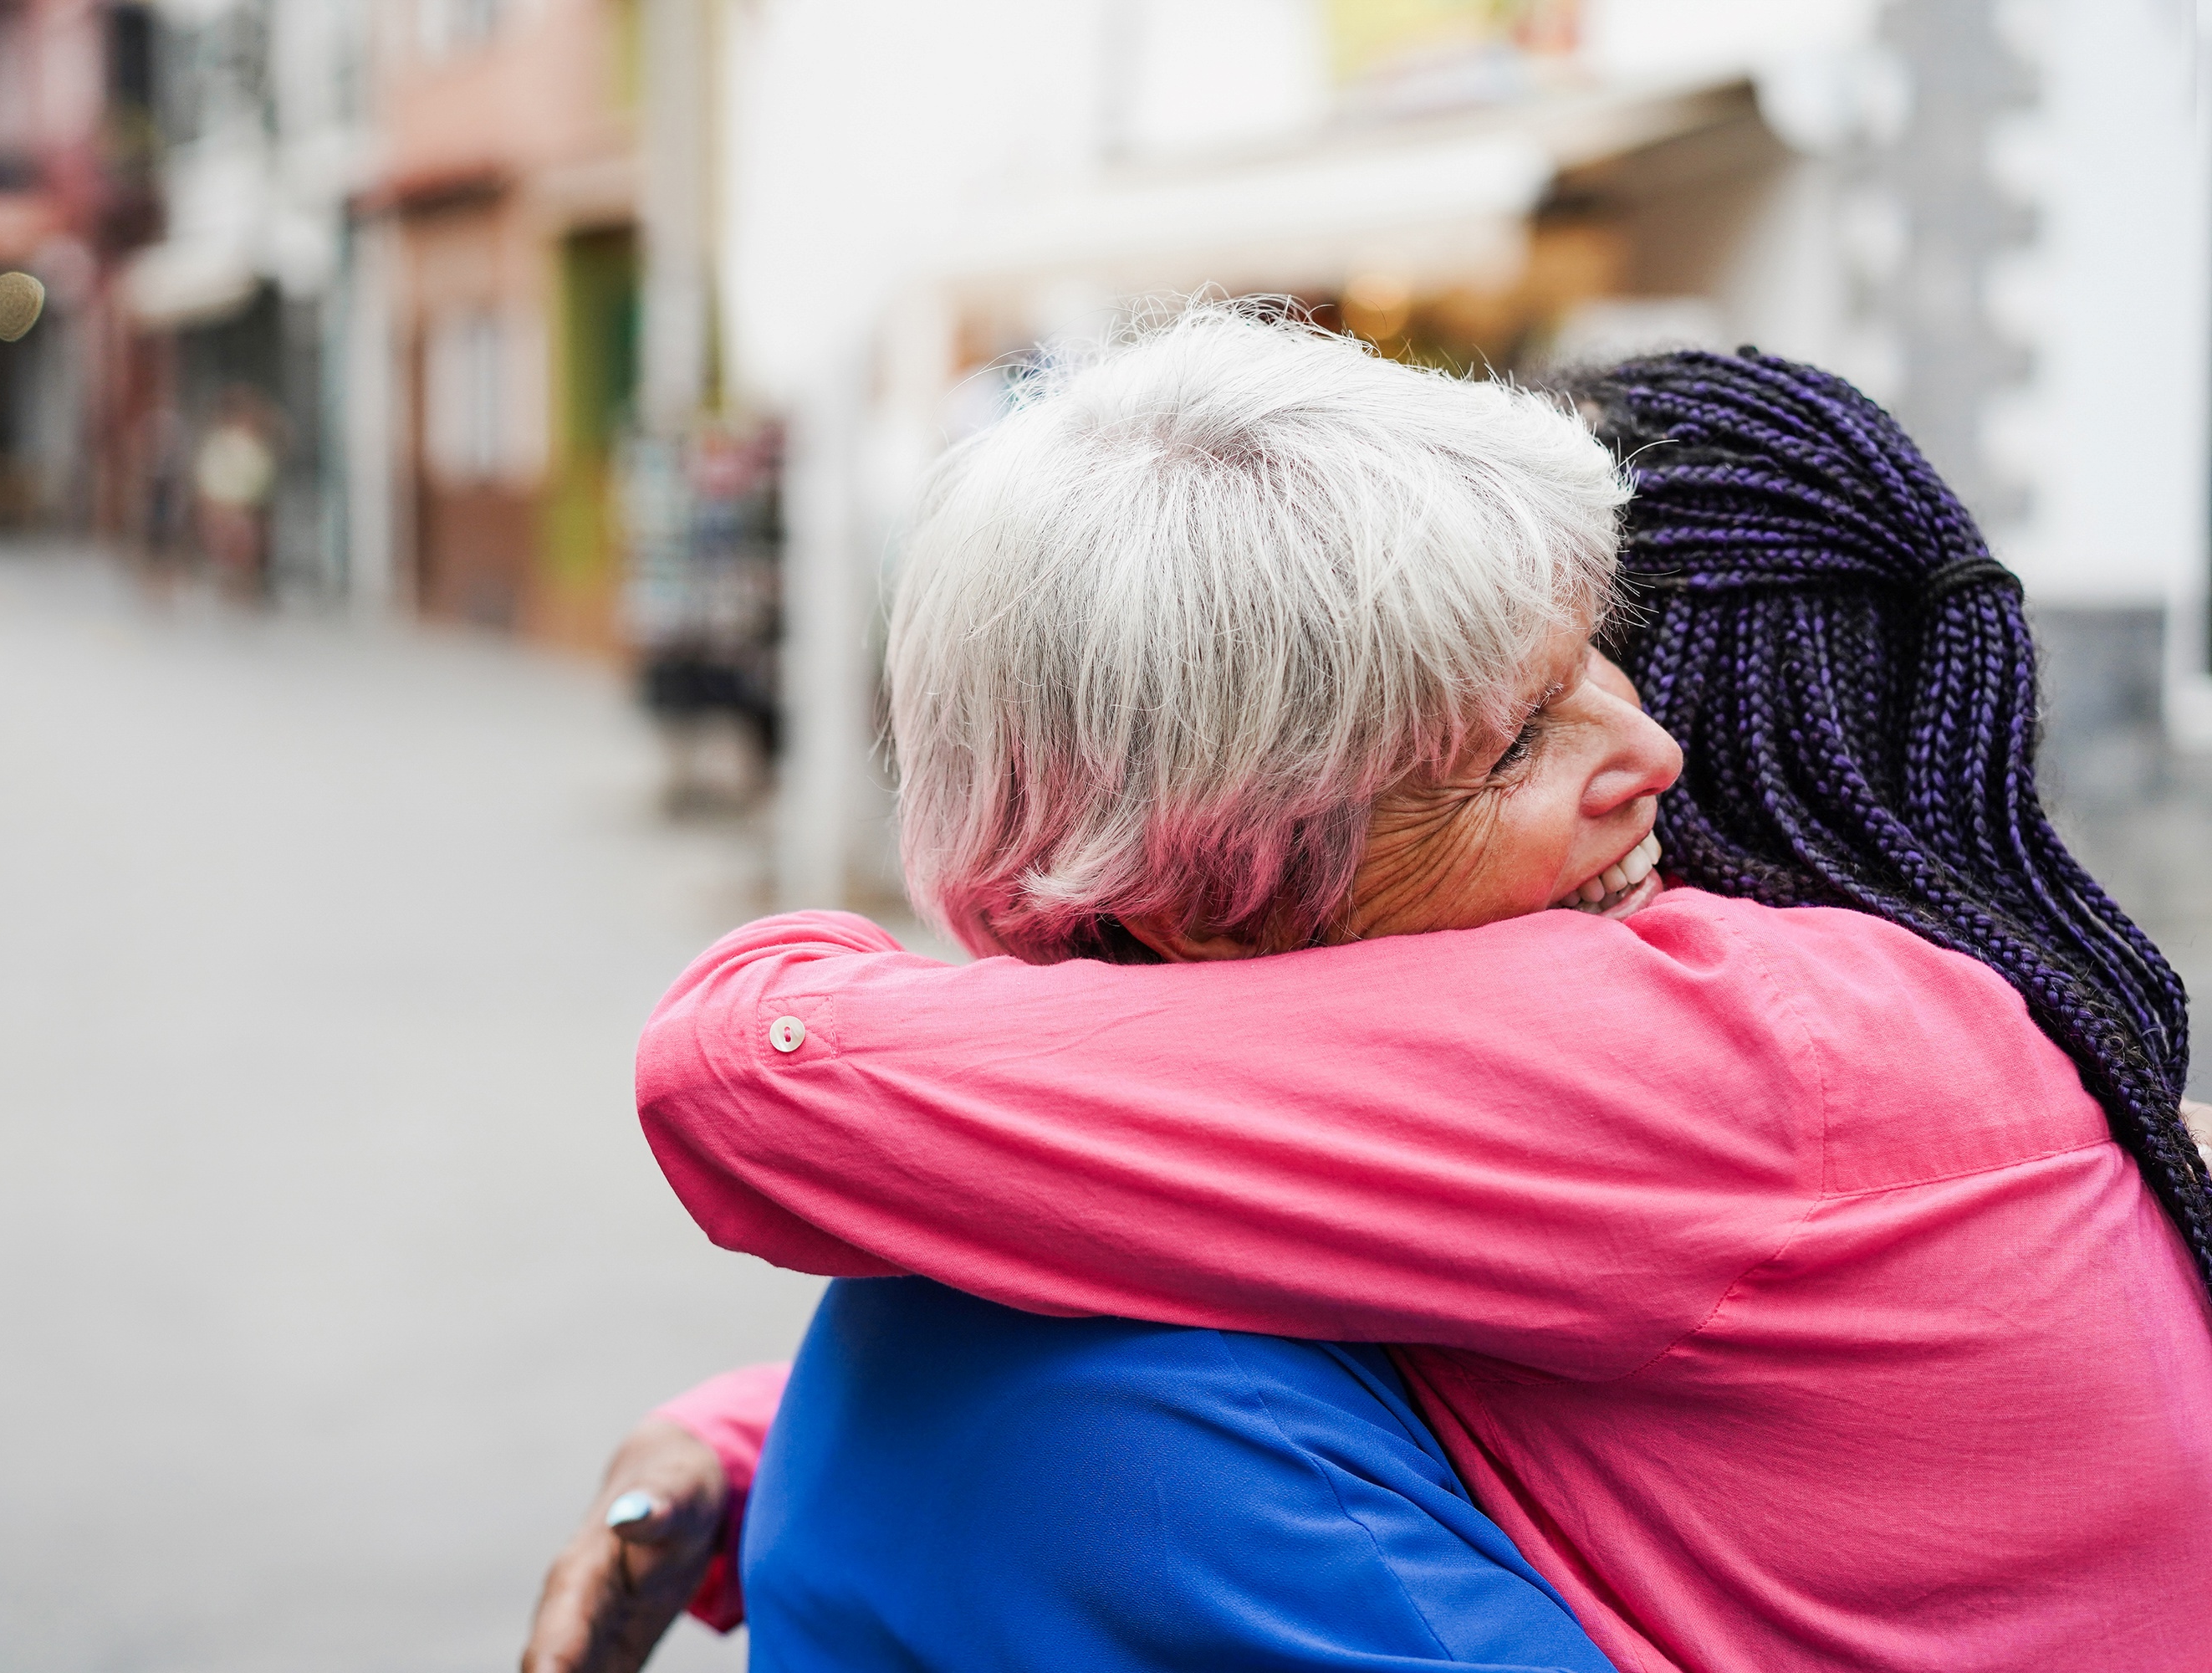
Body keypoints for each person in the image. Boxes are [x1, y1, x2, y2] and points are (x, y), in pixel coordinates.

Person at [537, 322, 2212, 1671]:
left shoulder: (1736, 1043)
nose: (1653, 753)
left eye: (1589, 658)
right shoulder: (1796, 1052)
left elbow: (748, 1070)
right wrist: (737, 1441)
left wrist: (748, 1443)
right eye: (1507, 740)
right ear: (1208, 885)